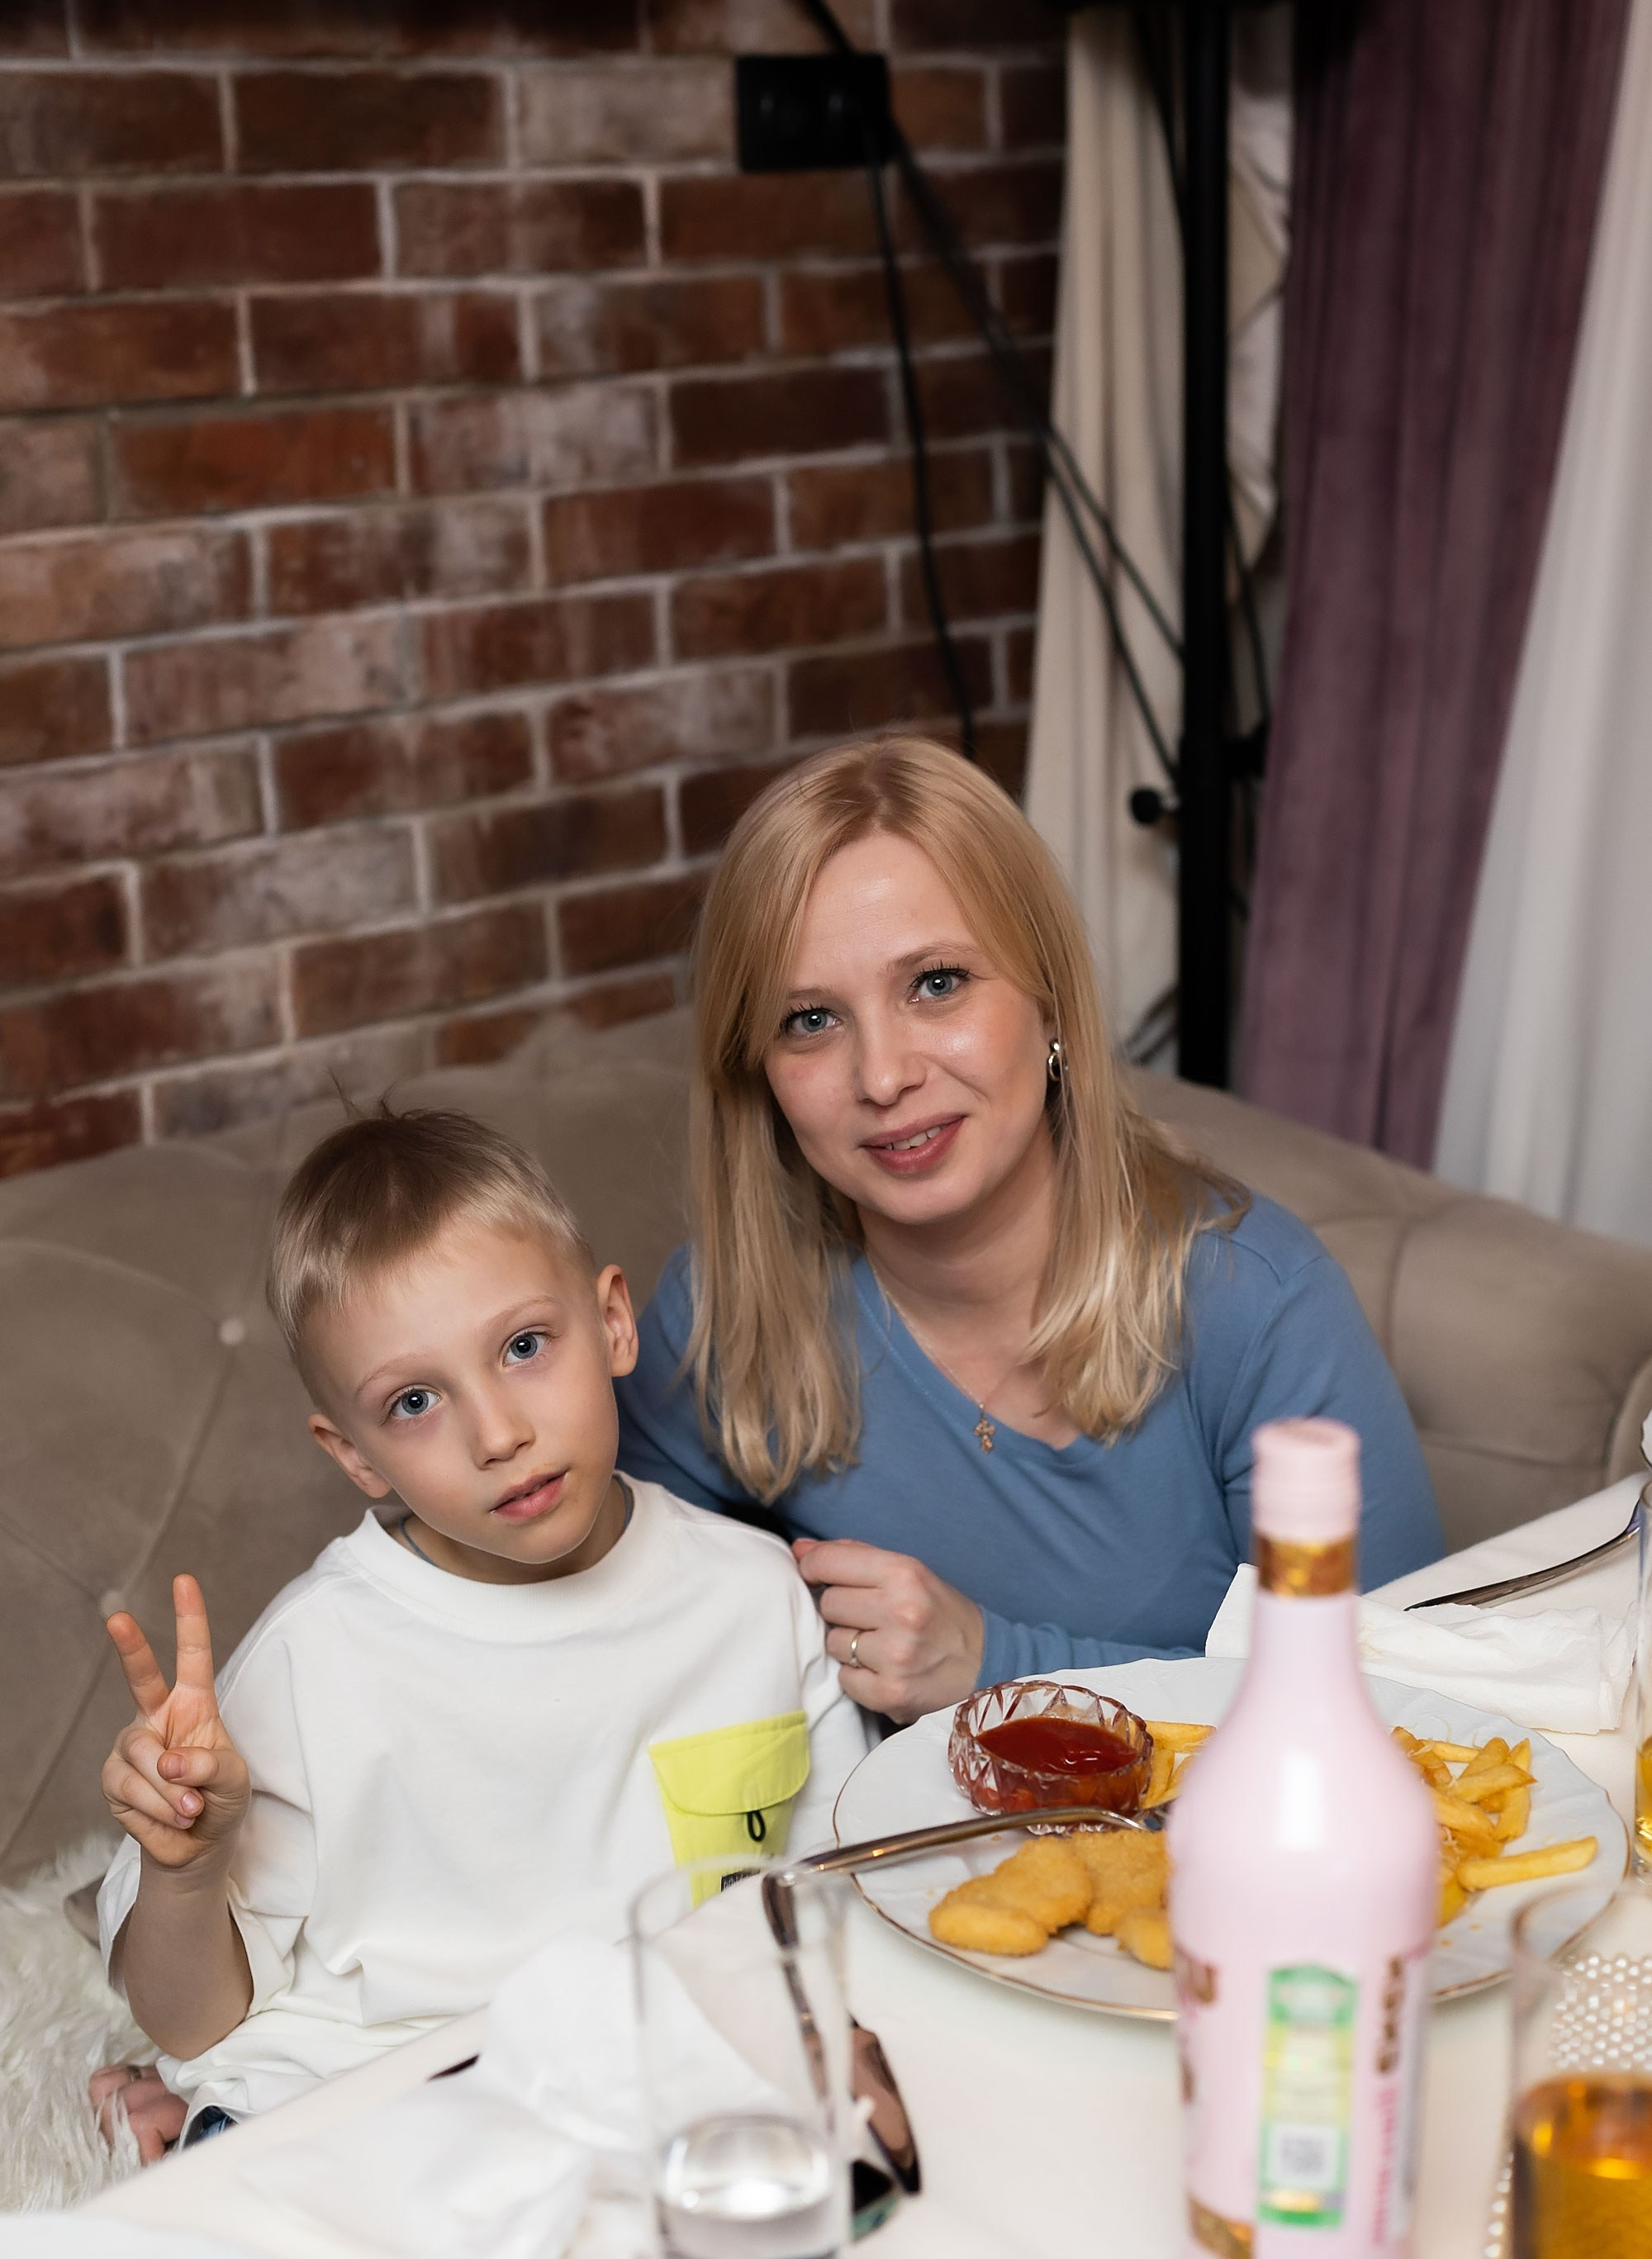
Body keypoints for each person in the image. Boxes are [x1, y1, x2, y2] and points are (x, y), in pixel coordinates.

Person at [617, 738, 1444, 1723]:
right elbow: (636, 1652)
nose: (881, 1077)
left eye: (935, 983)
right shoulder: (718, 1315)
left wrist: (997, 1664)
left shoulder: (1253, 1306)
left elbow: (1402, 1712)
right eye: (809, 1020)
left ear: (1047, 995)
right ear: (757, 1072)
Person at [92, 1108, 863, 2157]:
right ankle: (201, 2136)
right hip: (372, 2085)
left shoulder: (754, 1596)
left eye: (524, 1346)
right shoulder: (313, 1659)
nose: (498, 1433)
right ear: (355, 1457)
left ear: (614, 1324)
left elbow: (836, 1907)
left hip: (656, 2074)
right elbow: (192, 2014)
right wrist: (185, 1868)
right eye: (413, 1401)